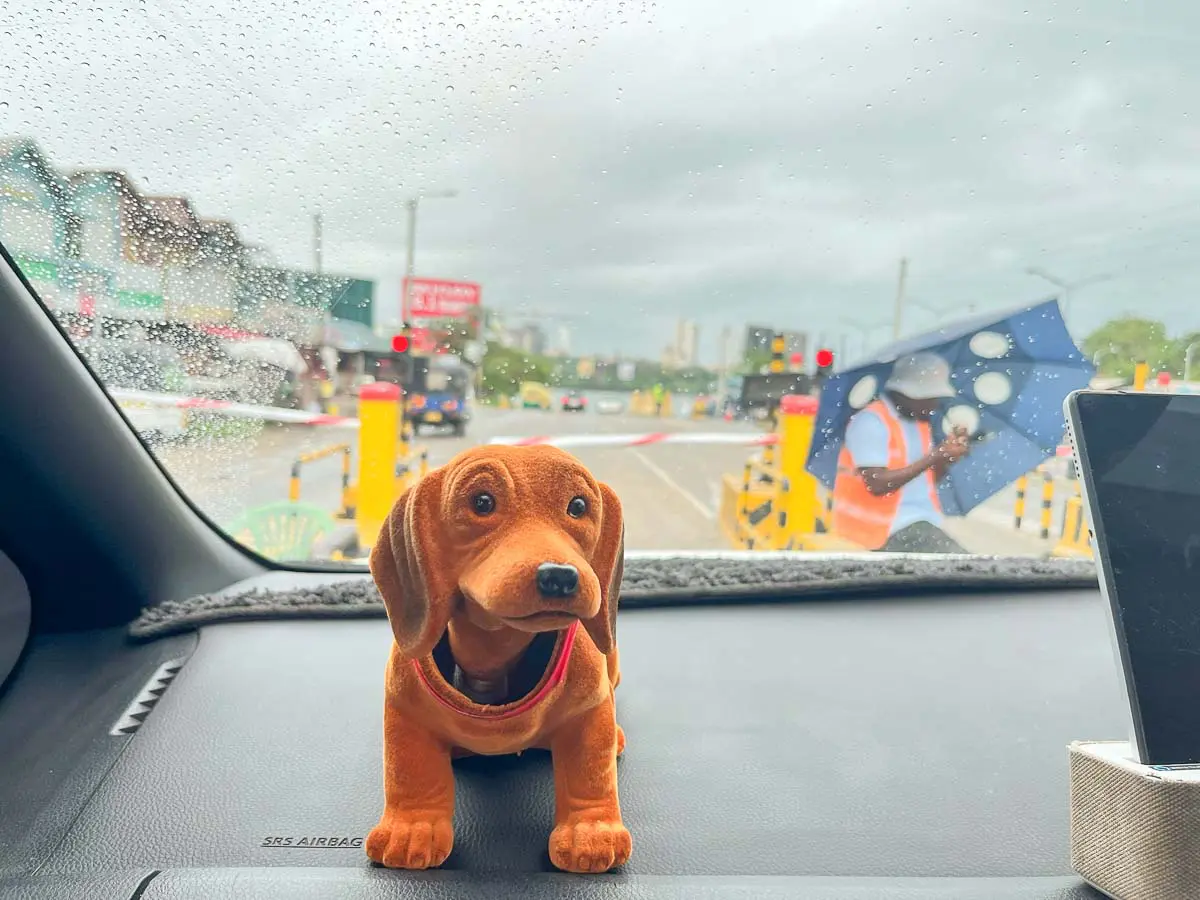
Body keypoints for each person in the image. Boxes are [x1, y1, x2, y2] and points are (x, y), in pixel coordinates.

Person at [833, 352, 972, 553]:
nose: (934, 405)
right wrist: (935, 456)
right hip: (883, 529)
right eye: (929, 398)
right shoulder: (870, 421)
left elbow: (926, 481)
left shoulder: (919, 423)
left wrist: (946, 458)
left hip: (921, 521)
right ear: (907, 394)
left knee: (967, 565)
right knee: (966, 566)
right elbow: (877, 484)